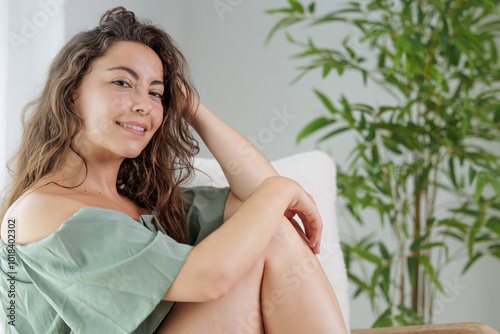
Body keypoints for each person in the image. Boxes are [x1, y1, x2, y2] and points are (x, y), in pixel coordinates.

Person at [0, 6, 348, 334]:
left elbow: (265, 206)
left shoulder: (146, 207)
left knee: (268, 226)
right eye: (122, 83)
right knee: (265, 223)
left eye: (156, 93)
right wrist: (281, 189)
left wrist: (191, 108)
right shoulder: (40, 211)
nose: (143, 104)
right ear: (72, 93)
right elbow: (213, 276)